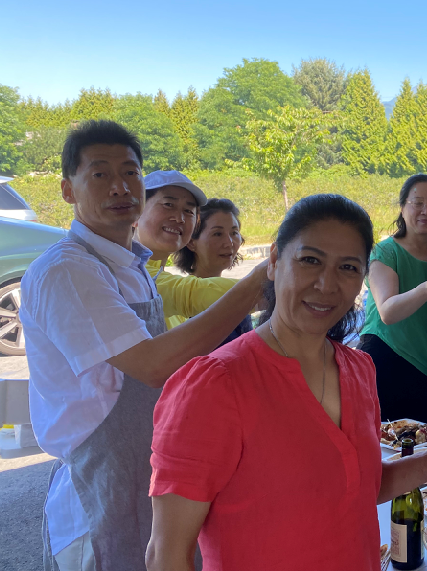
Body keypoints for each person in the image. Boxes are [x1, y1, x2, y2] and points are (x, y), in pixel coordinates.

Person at [146, 194, 427, 571]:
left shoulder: (359, 369)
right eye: (310, 260)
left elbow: (355, 488)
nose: (327, 284)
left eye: (348, 267)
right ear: (274, 261)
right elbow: (167, 555)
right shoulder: (214, 386)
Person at [19, 120, 265, 571]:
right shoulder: (68, 270)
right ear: (68, 190)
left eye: (130, 172)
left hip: (148, 473)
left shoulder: (132, 266)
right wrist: (255, 286)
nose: (119, 186)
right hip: (99, 488)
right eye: (100, 174)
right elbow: (153, 365)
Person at [358, 174, 427, 423]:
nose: (426, 210)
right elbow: (387, 312)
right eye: (418, 202)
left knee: (422, 441)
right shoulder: (386, 251)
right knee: (383, 441)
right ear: (402, 207)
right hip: (385, 360)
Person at [137, 171, 238, 330]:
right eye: (168, 205)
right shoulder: (126, 271)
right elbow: (190, 294)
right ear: (135, 212)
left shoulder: (178, 309)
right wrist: (272, 281)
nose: (179, 218)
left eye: (188, 211)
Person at [172, 198, 253, 345]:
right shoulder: (185, 304)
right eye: (217, 234)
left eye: (234, 233)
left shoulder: (231, 293)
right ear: (191, 242)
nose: (229, 243)